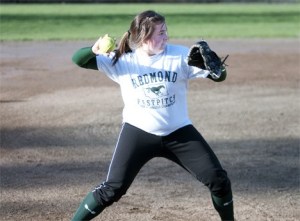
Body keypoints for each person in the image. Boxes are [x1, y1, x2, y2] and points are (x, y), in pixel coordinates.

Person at [71, 10, 234, 221]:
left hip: (179, 132)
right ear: (144, 37)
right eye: (161, 33)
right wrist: (94, 49)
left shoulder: (180, 55)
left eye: (166, 31)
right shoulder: (122, 59)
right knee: (113, 189)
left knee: (218, 180)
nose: (166, 37)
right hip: (138, 132)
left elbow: (219, 77)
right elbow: (78, 59)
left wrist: (217, 68)